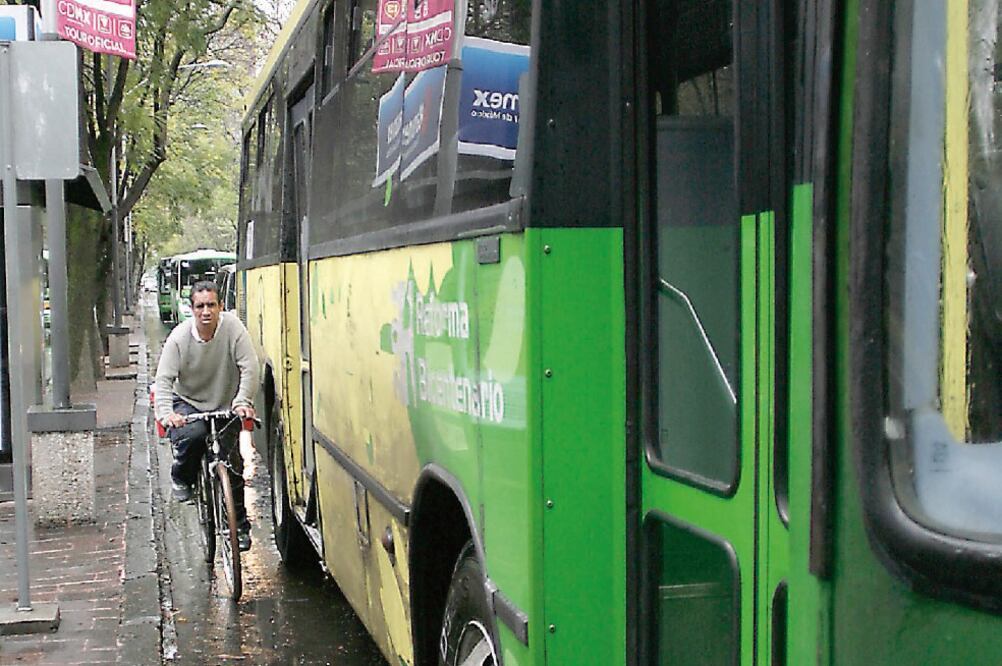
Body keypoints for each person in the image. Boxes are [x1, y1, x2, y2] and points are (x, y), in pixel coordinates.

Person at [154, 280, 259, 551]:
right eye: (200, 306)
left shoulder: (234, 329)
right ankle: (182, 477)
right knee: (194, 436)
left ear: (220, 307)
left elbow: (250, 367)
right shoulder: (178, 338)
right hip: (188, 401)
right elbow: (164, 381)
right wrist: (167, 414)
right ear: (192, 309)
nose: (206, 311)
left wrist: (242, 401)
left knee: (232, 462)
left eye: (211, 305)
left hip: (226, 403)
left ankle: (240, 527)